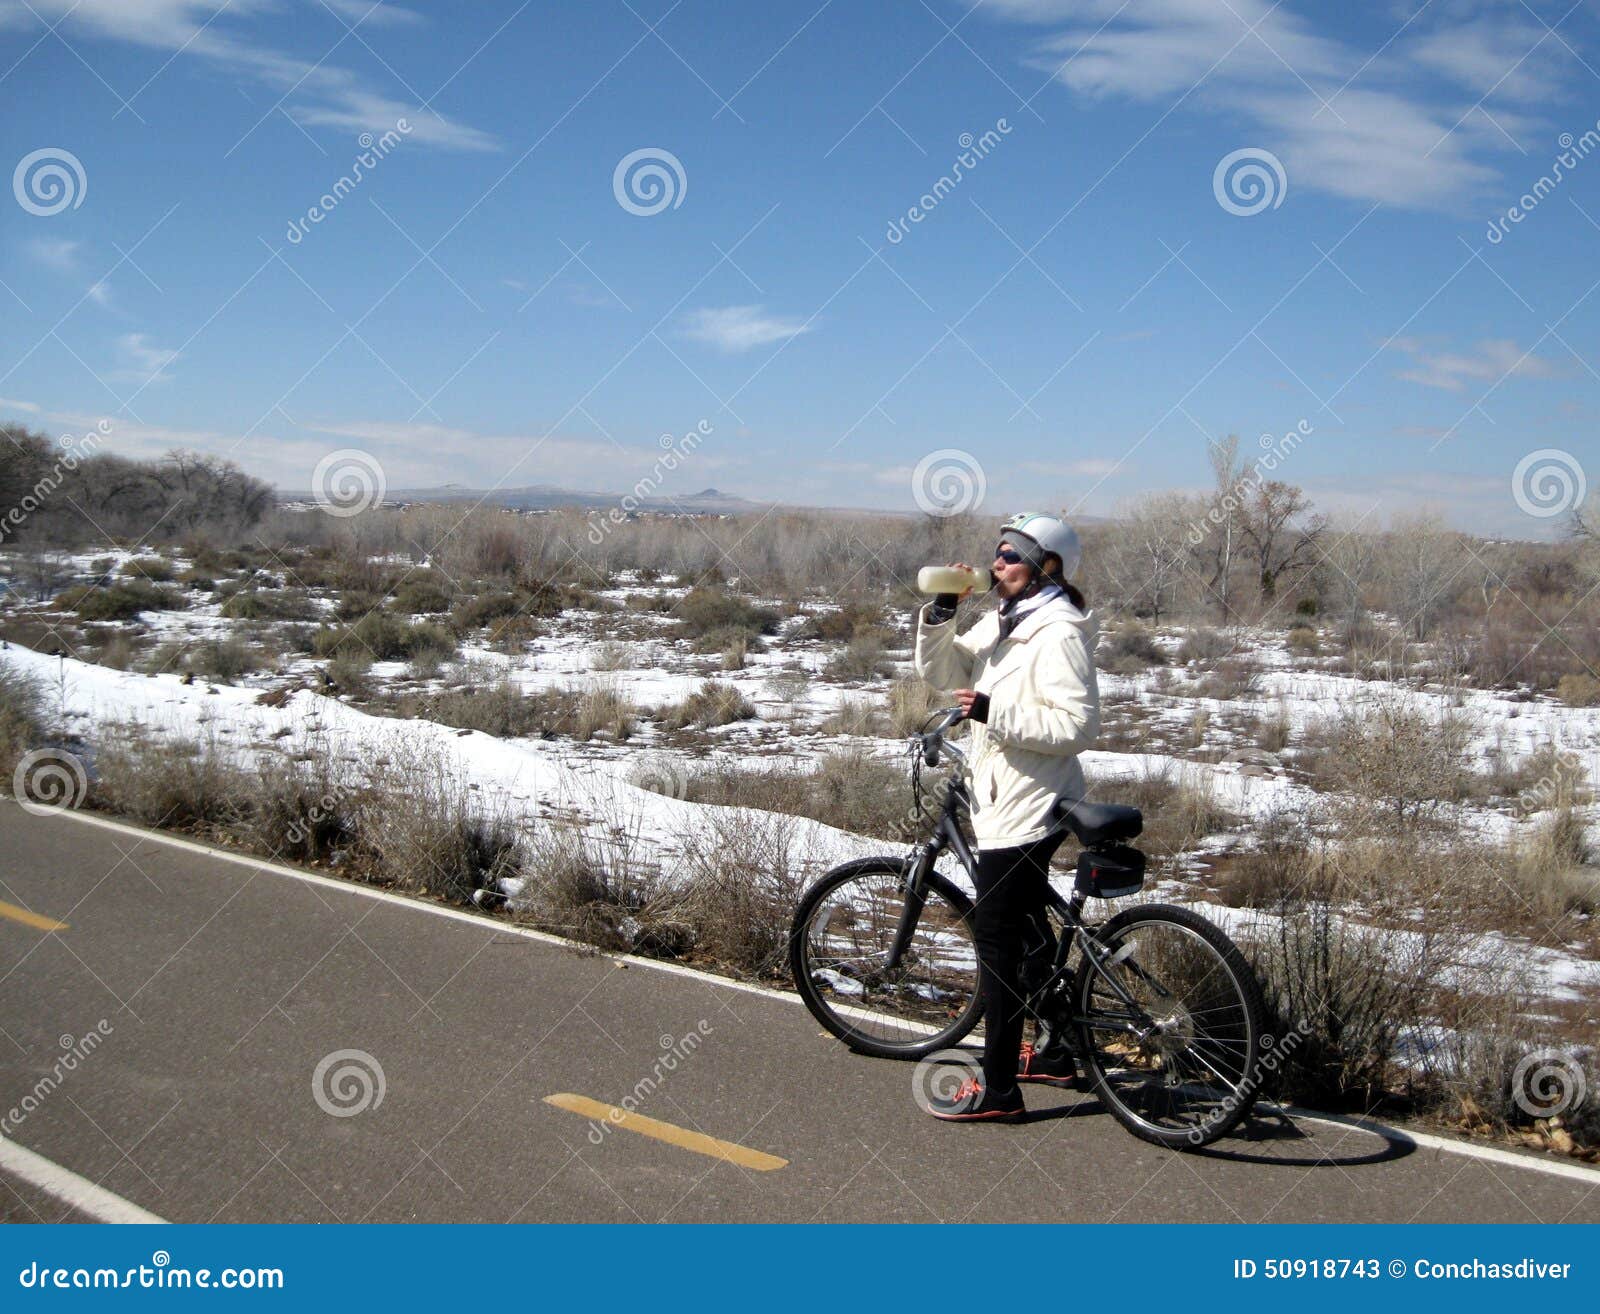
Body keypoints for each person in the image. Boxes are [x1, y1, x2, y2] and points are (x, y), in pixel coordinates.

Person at [913, 512, 1100, 1122]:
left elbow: (1077, 727)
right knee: (1028, 933)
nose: (999, 564)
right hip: (1001, 793)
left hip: (1029, 805)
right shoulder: (1005, 620)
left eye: (1012, 555)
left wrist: (995, 711)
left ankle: (999, 1093)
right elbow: (944, 674)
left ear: (1048, 566)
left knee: (995, 940)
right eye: (997, 554)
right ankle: (1057, 1052)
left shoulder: (1060, 631)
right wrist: (942, 610)